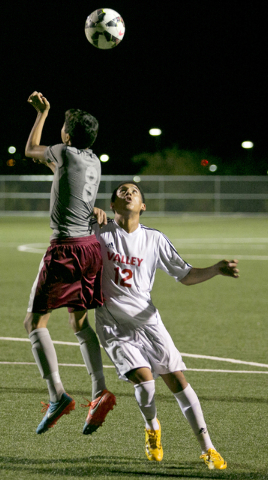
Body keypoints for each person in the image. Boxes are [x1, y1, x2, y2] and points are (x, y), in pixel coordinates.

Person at [91, 182, 239, 469]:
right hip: (113, 324)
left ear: (143, 206)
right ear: (111, 206)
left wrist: (216, 269)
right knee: (145, 383)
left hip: (149, 322)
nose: (129, 193)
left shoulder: (154, 239)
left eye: (134, 191)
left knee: (178, 380)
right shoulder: (99, 232)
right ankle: (152, 428)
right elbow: (67, 219)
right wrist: (88, 211)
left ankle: (208, 448)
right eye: (122, 191)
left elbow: (185, 275)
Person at [24, 91, 115, 436]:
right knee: (79, 323)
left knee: (34, 323)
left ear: (66, 134)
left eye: (62, 125)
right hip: (90, 248)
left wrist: (41, 114)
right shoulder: (92, 160)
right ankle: (99, 390)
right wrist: (92, 209)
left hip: (65, 248)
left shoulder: (63, 152)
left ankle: (57, 395)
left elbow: (32, 150)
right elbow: (61, 176)